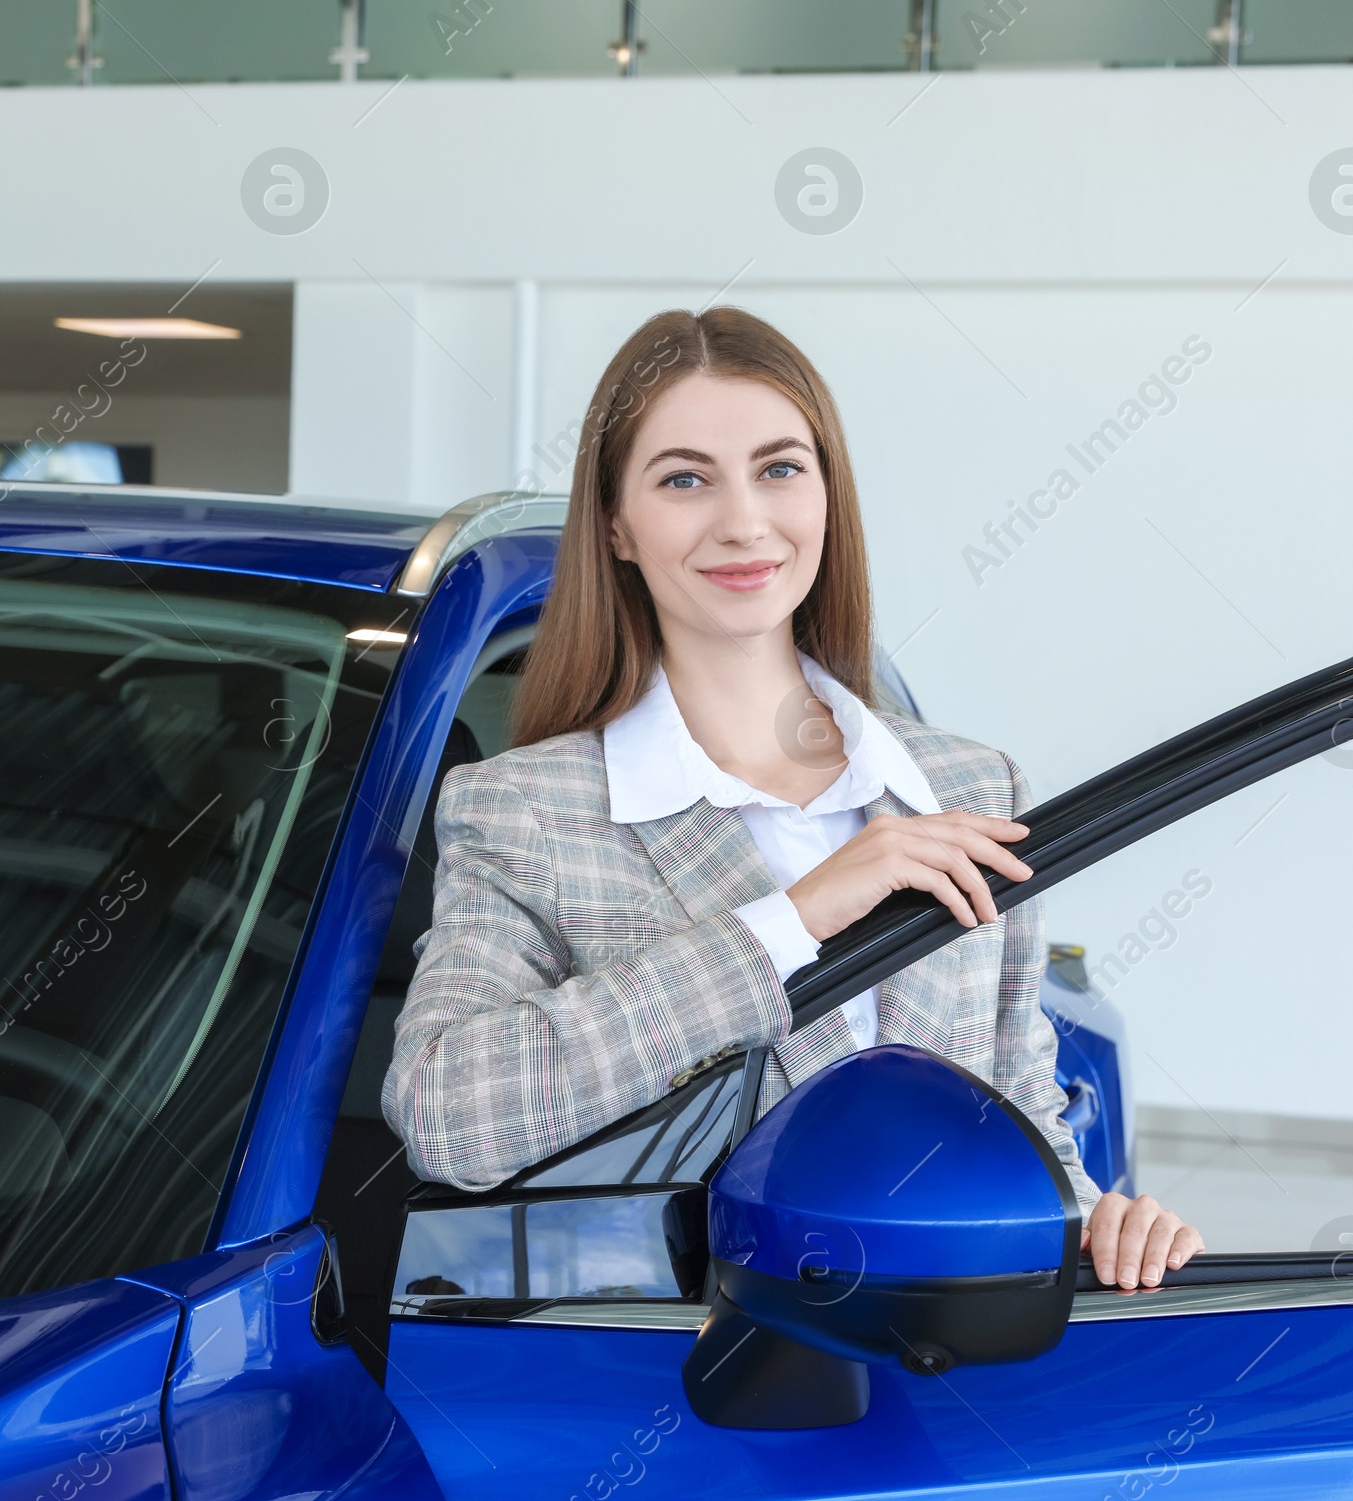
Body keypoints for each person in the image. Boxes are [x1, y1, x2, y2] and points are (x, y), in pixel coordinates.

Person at [385, 307, 1203, 1292]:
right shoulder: (526, 810)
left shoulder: (970, 786)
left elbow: (1015, 1105)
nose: (742, 520)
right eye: (684, 478)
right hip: (687, 1373)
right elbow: (450, 1115)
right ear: (616, 524)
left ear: (825, 495)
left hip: (949, 1365)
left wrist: (1092, 1222)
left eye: (779, 468)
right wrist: (790, 920)